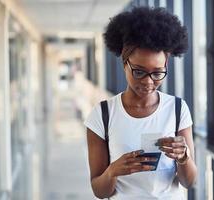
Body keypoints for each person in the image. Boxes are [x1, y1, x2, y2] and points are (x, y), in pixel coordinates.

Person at [84, 7, 197, 200]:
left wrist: (183, 157)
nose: (148, 81)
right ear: (124, 63)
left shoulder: (178, 109)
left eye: (157, 73)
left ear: (166, 66)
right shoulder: (103, 114)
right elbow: (100, 191)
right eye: (139, 71)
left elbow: (189, 182)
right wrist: (113, 171)